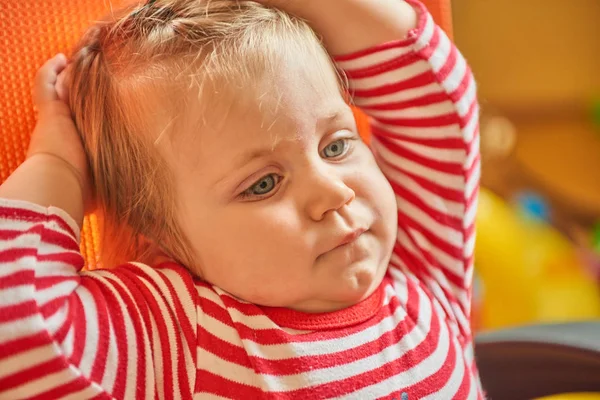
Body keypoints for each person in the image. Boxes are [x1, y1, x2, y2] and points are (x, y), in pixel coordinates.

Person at [0, 0, 482, 398]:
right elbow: (18, 327)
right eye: (263, 184)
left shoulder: (421, 265)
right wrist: (57, 165)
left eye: (336, 146)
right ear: (159, 229)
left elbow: (434, 93)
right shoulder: (182, 335)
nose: (334, 192)